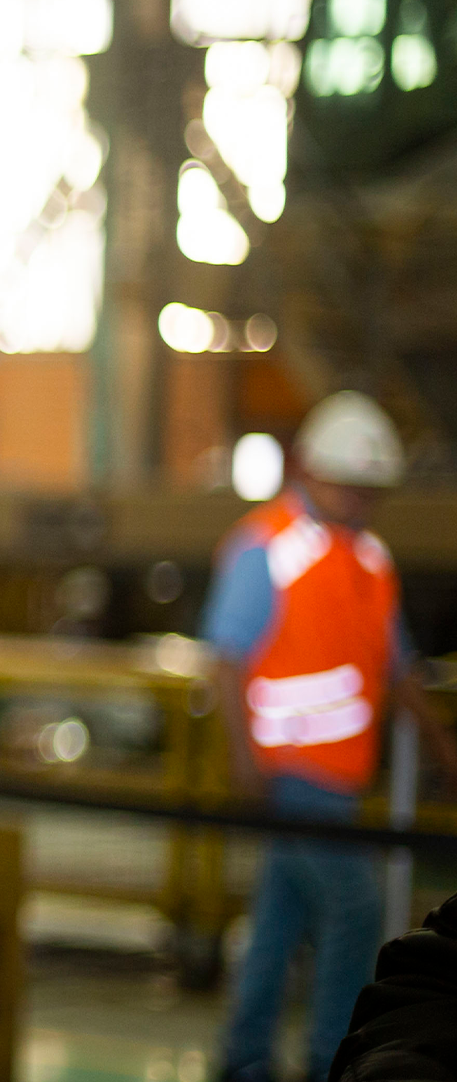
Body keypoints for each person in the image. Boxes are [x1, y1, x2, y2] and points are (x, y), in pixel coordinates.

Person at [206, 392, 457, 1082]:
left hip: (339, 780)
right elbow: (225, 657)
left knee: (279, 922)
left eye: (370, 490)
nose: (361, 501)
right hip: (289, 777)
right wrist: (243, 758)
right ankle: (329, 1061)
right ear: (311, 472)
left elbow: (394, 665)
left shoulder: (369, 559)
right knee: (354, 910)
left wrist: (442, 750)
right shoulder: (267, 547)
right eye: (351, 485)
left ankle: (243, 1059)